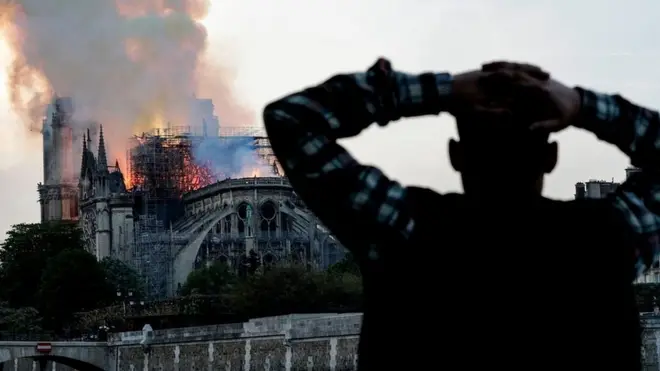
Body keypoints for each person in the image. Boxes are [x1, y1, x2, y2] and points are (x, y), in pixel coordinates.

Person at [262, 59, 660, 370]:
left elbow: (292, 119)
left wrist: (441, 90)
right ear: (551, 157)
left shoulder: (404, 227)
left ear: (455, 155)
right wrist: (581, 105)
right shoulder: (607, 238)